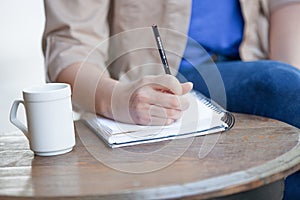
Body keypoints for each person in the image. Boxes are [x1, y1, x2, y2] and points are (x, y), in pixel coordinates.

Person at [42, 0, 300, 199]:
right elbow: (70, 44)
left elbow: (286, 6)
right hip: (160, 82)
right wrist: (116, 98)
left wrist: (289, 88)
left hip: (254, 66)